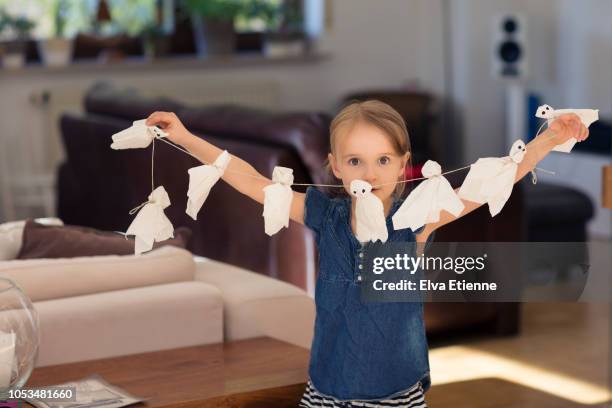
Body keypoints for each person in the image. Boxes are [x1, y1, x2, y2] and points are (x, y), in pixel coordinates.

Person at [146, 100, 589, 407]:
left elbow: (495, 181)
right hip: (327, 386)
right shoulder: (322, 212)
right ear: (336, 167)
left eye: (382, 160)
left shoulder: (418, 217)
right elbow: (249, 180)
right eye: (355, 161)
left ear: (403, 165)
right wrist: (185, 136)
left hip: (393, 392)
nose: (370, 172)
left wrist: (549, 140)